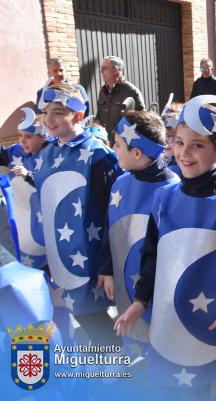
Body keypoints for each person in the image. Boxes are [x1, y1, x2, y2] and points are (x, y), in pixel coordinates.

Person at [114, 95, 216, 400]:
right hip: (182, 316)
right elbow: (152, 256)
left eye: (197, 145)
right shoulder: (164, 199)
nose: (185, 153)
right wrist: (141, 301)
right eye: (179, 142)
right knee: (187, 387)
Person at [35, 82, 121, 345]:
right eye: (46, 111)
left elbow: (112, 213)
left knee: (91, 313)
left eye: (59, 112)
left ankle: (116, 361)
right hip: (61, 253)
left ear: (79, 115)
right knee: (78, 310)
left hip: (91, 255)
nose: (50, 119)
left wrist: (109, 266)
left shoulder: (97, 155)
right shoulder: (48, 152)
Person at [97, 111, 180, 357]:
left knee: (161, 348)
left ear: (137, 152)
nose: (113, 148)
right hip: (125, 282)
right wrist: (108, 269)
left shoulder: (173, 190)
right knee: (133, 340)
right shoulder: (121, 183)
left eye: (118, 144)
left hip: (159, 292)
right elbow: (109, 229)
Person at [0, 108, 47, 269]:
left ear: (43, 136)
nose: (22, 141)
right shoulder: (16, 151)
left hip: (44, 221)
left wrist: (28, 175)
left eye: (28, 136)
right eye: (20, 136)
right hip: (23, 221)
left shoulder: (50, 156)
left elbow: (50, 183)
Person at [97, 56, 145, 141]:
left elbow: (140, 120)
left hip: (122, 145)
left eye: (104, 68)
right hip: (105, 143)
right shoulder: (102, 91)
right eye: (100, 68)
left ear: (115, 70)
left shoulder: (131, 91)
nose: (101, 71)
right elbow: (99, 117)